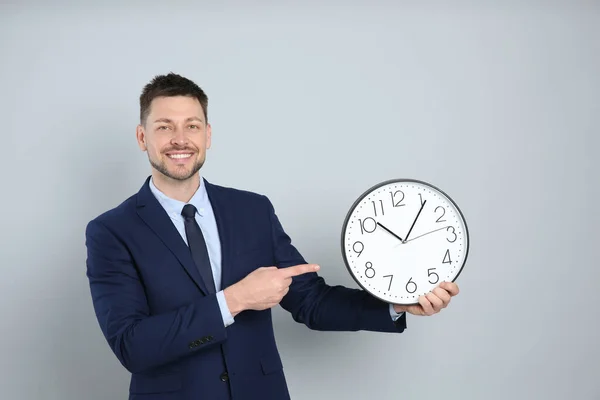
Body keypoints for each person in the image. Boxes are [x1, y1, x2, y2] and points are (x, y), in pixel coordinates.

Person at [84, 72, 460, 400]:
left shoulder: (252, 211)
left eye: (192, 125)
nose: (180, 139)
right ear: (141, 136)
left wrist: (396, 304)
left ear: (208, 134)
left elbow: (311, 301)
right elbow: (132, 345)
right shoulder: (111, 232)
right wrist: (233, 300)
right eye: (164, 126)